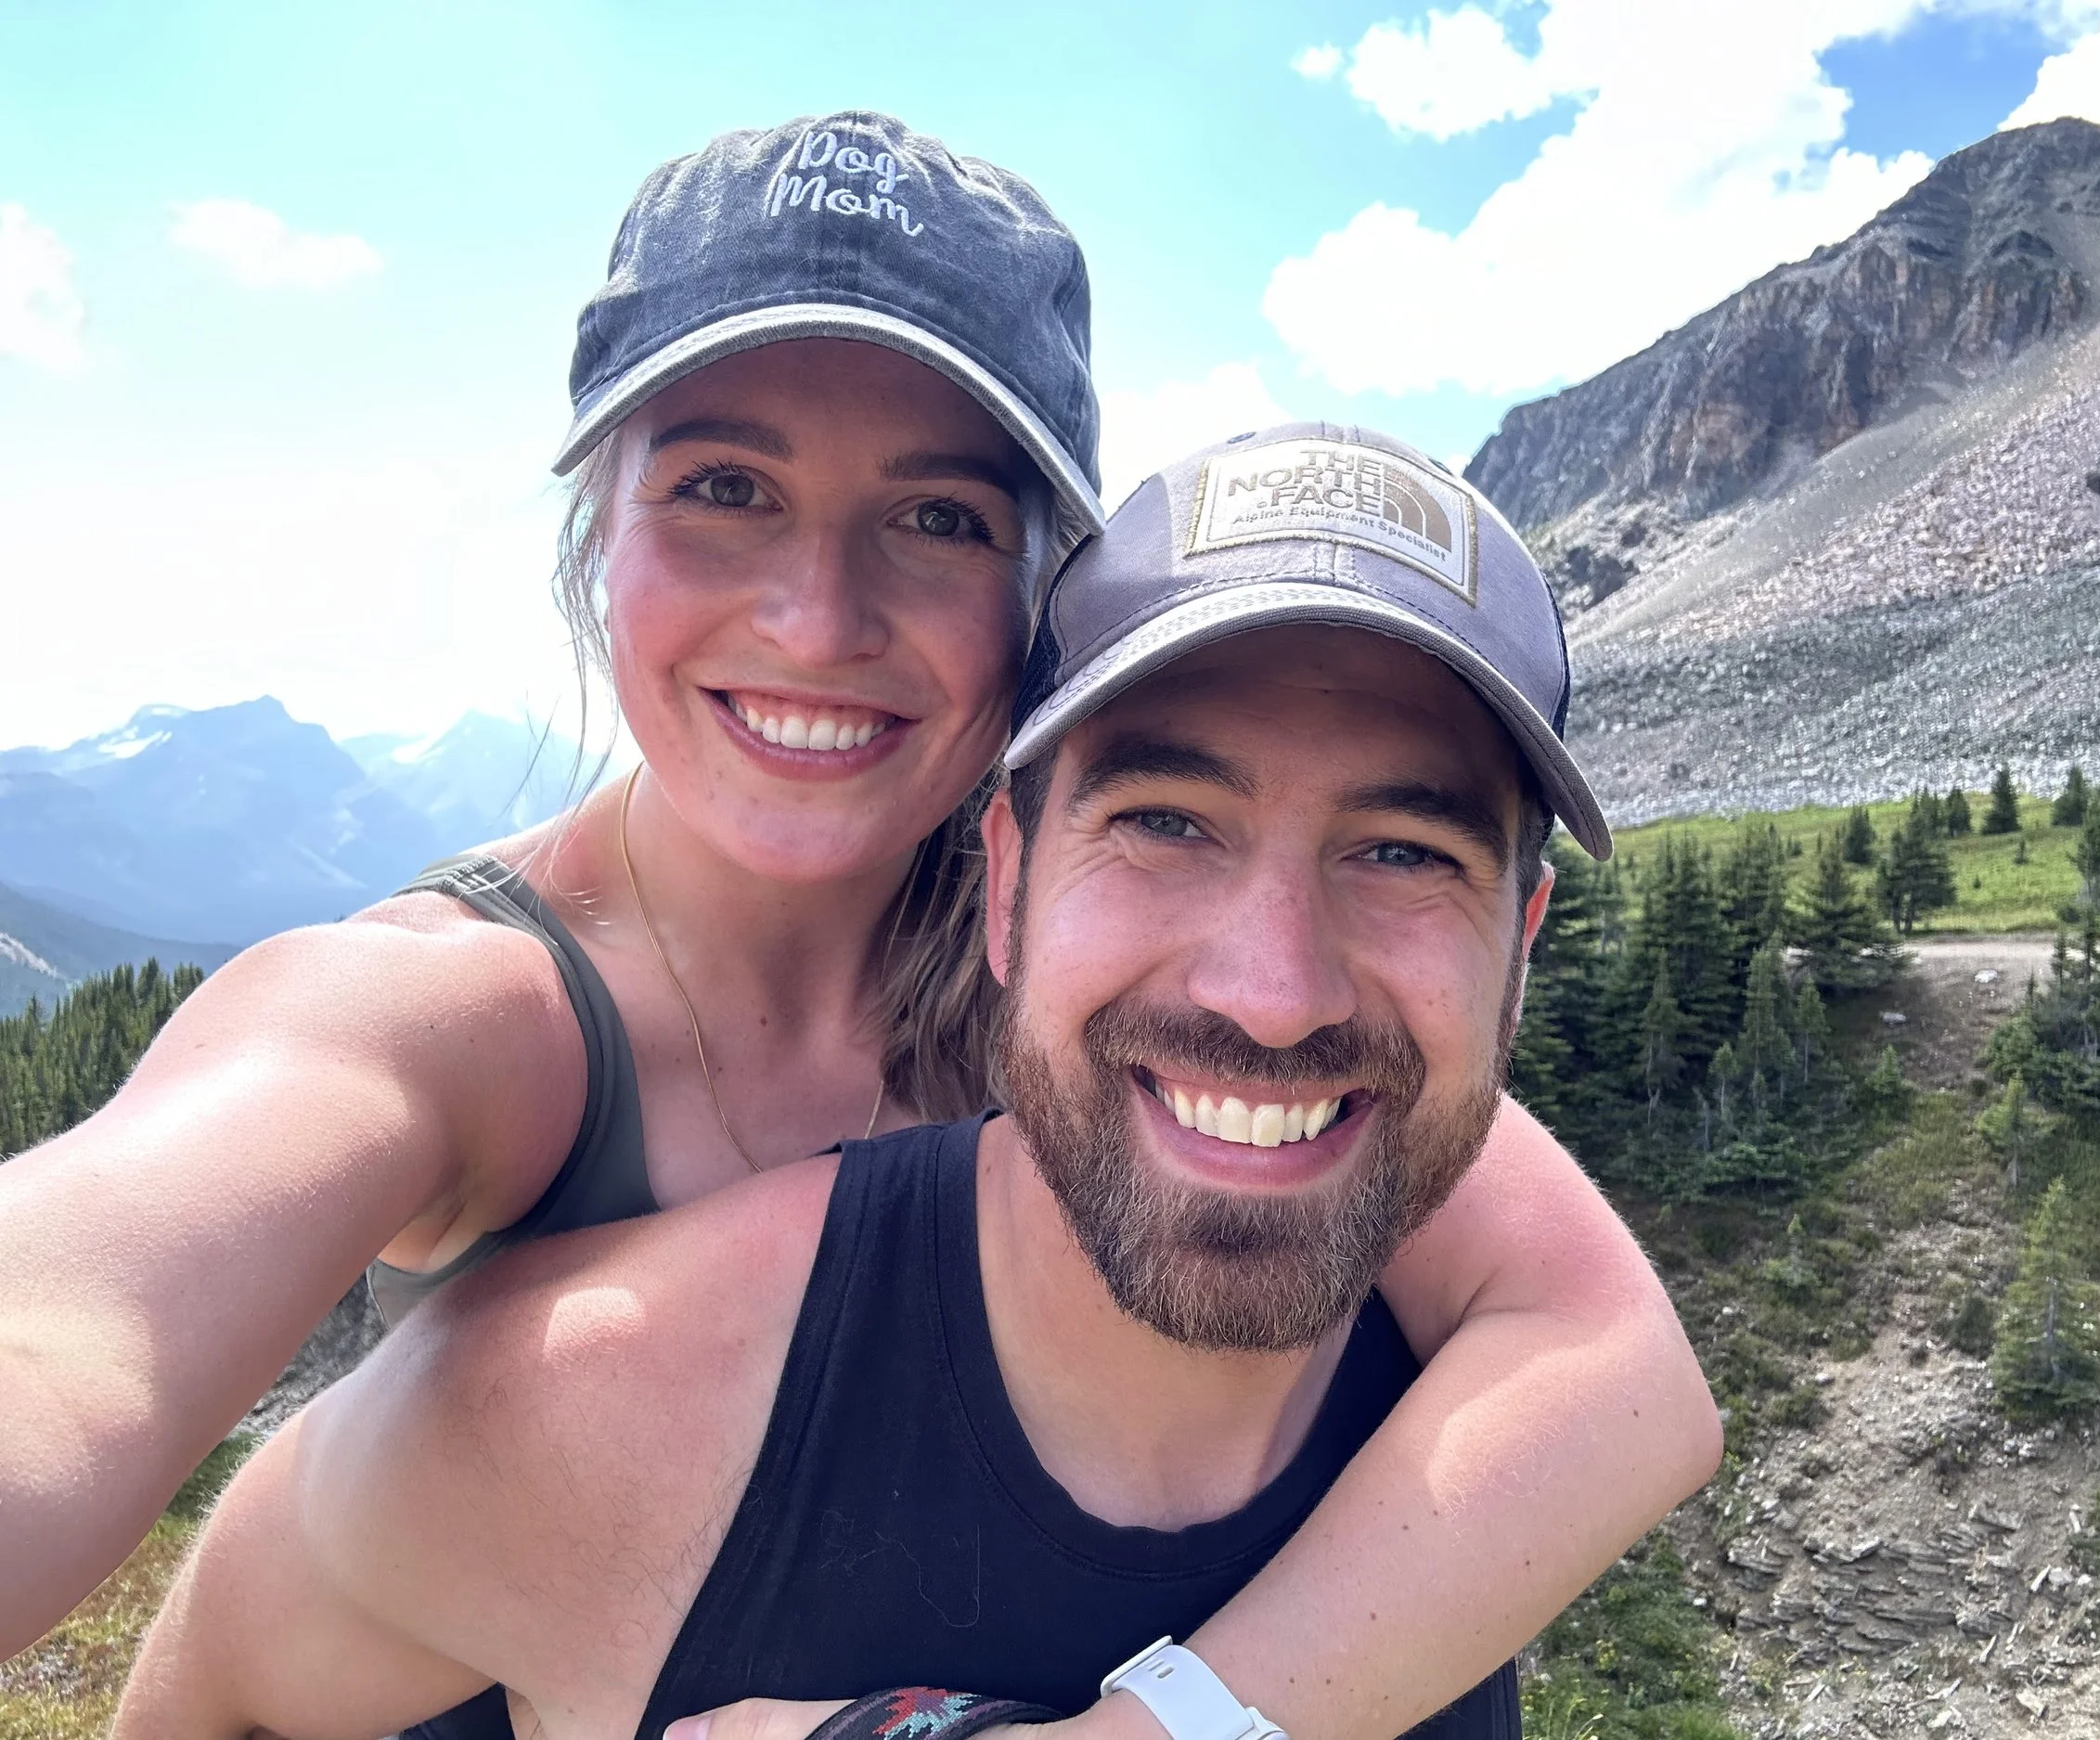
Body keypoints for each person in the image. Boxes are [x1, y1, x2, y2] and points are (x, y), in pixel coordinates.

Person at [0, 115, 1715, 1736]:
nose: (817, 616)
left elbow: (1608, 1357)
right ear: (602, 534)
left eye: (937, 516)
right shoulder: (448, 1019)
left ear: (1036, 588)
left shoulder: (1132, 962)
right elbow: (72, 1336)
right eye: (725, 487)